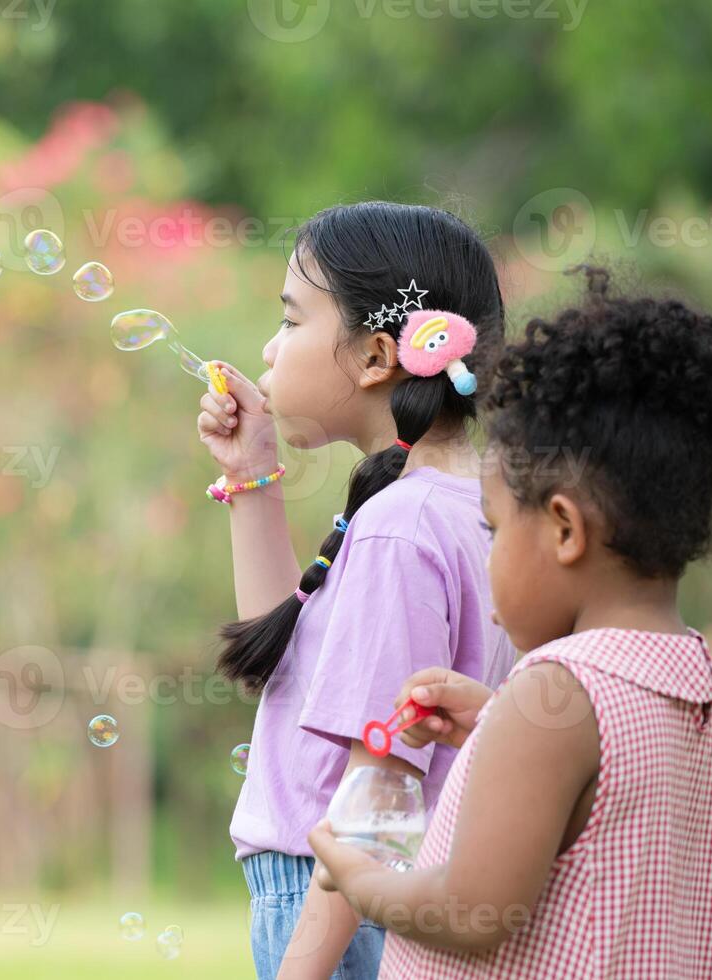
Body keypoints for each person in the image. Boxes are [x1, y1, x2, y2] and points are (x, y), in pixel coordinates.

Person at [308, 268, 712, 978]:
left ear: (563, 529)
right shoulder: (698, 682)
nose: (490, 552)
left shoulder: (554, 695)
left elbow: (469, 912)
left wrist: (360, 876)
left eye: (496, 529)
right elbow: (605, 802)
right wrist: (495, 724)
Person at [197, 201, 516, 979]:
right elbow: (288, 671)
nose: (268, 349)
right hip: (387, 903)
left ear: (377, 356)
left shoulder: (398, 527)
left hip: (334, 906)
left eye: (290, 320)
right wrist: (252, 479)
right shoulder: (473, 504)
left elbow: (376, 793)